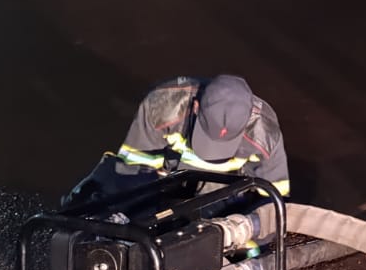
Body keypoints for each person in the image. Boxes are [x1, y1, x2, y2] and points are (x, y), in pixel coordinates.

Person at [63, 74, 291, 208]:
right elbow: (132, 170)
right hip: (161, 186)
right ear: (196, 106)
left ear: (248, 119)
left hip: (221, 200)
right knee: (103, 193)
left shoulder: (265, 135)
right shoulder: (163, 107)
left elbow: (272, 203)